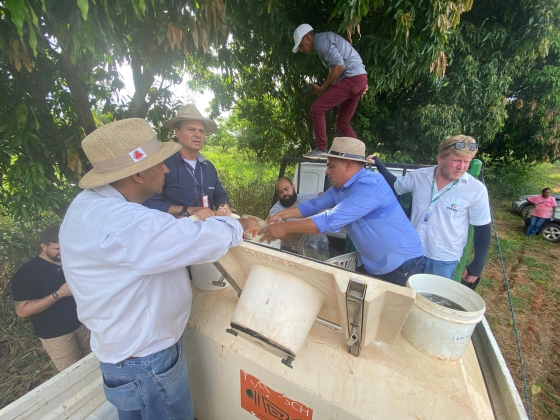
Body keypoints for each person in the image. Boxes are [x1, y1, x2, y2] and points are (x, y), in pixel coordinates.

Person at [59, 118, 259, 420]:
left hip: (120, 352)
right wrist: (237, 225)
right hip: (147, 359)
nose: (166, 169)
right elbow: (195, 239)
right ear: (139, 174)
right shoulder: (126, 223)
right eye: (159, 164)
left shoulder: (85, 205)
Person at [261, 137, 424, 287]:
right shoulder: (339, 188)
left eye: (330, 166)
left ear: (348, 165)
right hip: (372, 261)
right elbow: (313, 204)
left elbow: (328, 220)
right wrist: (281, 215)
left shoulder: (370, 186)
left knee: (387, 314)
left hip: (400, 264)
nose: (326, 171)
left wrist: (284, 228)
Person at [368, 135, 491, 290]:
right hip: (412, 253)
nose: (462, 167)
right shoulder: (420, 176)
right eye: (456, 161)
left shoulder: (476, 189)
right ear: (440, 159)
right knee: (406, 295)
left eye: (466, 161)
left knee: (433, 301)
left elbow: (482, 229)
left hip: (443, 259)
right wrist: (379, 165)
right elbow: (396, 185)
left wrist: (477, 265)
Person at [11, 225, 91, 372]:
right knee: (74, 373)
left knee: (94, 363)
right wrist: (58, 295)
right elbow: (22, 311)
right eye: (57, 249)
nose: (62, 252)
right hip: (56, 335)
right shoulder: (28, 273)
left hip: (82, 324)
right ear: (43, 246)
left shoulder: (70, 261)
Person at [143, 103, 232, 220]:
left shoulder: (208, 167)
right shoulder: (162, 165)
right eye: (191, 129)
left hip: (207, 231)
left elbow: (220, 194)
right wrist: (188, 209)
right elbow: (149, 203)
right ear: (177, 132)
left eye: (201, 131)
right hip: (174, 231)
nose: (198, 135)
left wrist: (224, 206)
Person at [292, 24, 368, 158]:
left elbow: (339, 66)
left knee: (317, 108)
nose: (301, 49)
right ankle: (358, 155)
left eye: (300, 45)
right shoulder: (325, 40)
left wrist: (322, 88)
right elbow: (338, 70)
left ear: (307, 37)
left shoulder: (321, 41)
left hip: (352, 78)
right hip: (359, 78)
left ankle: (320, 148)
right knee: (342, 123)